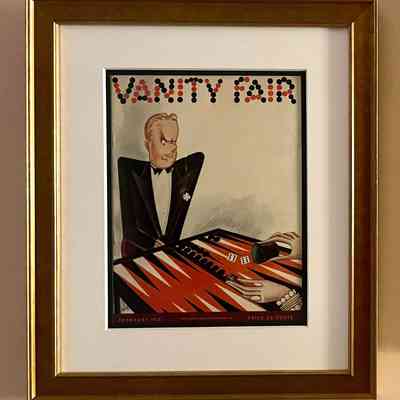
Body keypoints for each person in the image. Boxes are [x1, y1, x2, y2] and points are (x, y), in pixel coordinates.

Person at [118, 113, 204, 257]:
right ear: (148, 144)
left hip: (171, 256)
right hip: (139, 255)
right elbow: (129, 229)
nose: (171, 149)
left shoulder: (185, 171)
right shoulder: (130, 171)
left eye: (174, 141)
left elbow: (199, 156)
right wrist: (151, 244)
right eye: (163, 142)